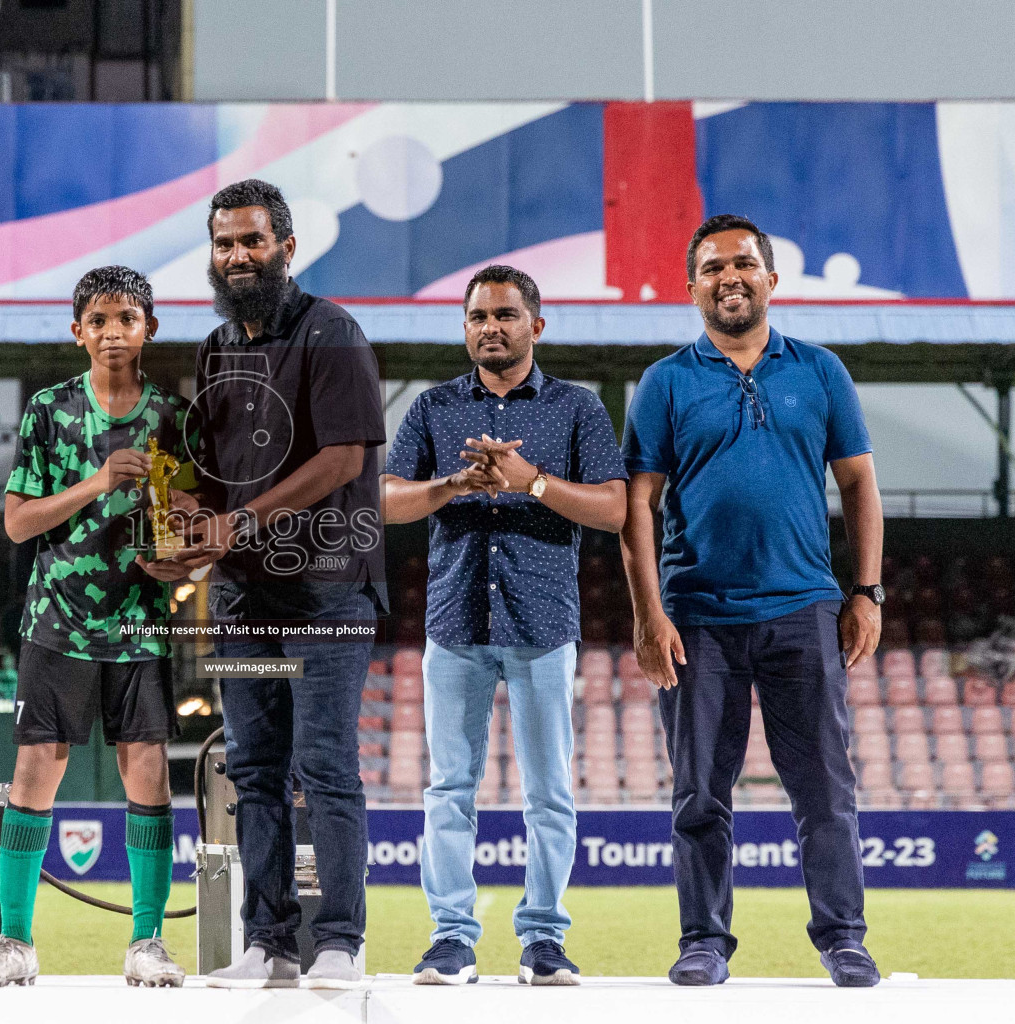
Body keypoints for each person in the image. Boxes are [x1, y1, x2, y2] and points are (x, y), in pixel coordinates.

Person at [620, 215, 884, 988]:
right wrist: (647, 612)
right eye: (712, 267)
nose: (729, 277)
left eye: (743, 264)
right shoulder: (665, 381)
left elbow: (860, 483)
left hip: (804, 610)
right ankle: (702, 940)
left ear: (771, 277)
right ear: (692, 284)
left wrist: (865, 590)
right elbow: (638, 505)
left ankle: (844, 938)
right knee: (700, 791)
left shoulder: (821, 370)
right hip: (696, 615)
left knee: (825, 788)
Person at [167, 179, 386, 990]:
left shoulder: (333, 332)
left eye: (252, 241)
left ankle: (340, 941)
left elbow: (344, 460)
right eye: (225, 243)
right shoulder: (217, 349)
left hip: (328, 589)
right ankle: (268, 943)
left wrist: (241, 521)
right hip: (243, 598)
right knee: (254, 768)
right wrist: (187, 524)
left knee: (325, 762)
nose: (237, 256)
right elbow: (213, 473)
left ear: (288, 247)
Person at [382, 266, 627, 986]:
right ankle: (451, 939)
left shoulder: (577, 409)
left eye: (506, 314)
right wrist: (452, 486)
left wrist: (533, 483)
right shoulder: (433, 409)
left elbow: (615, 508)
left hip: (543, 623)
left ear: (536, 326)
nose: (491, 326)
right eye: (479, 316)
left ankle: (544, 939)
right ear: (465, 328)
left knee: (549, 790)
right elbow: (387, 499)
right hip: (455, 620)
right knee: (448, 787)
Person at [0, 266, 193, 989]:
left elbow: (188, 524)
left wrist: (179, 561)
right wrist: (95, 483)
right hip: (57, 622)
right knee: (36, 773)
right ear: (78, 332)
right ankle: (16, 942)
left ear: (149, 327)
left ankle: (147, 942)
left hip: (144, 627)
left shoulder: (174, 417)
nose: (112, 331)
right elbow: (18, 521)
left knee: (148, 776)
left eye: (127, 318)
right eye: (98, 319)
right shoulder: (48, 411)